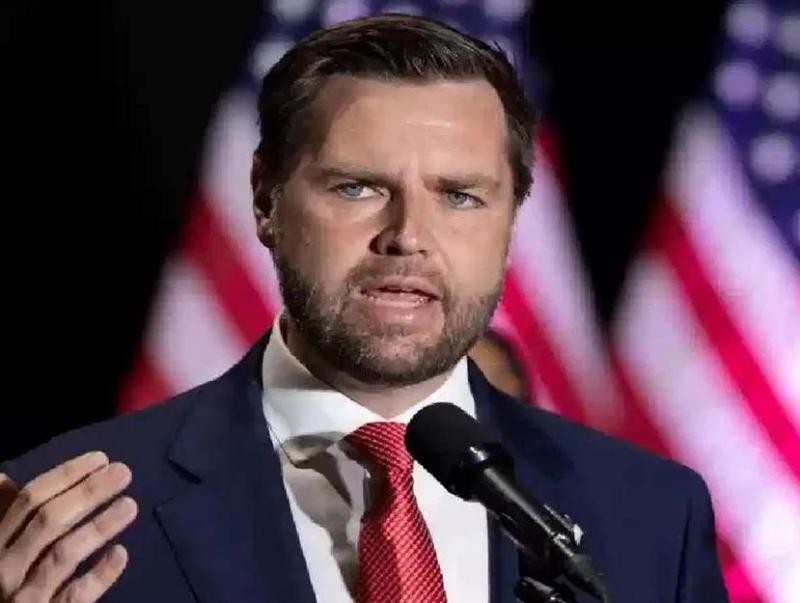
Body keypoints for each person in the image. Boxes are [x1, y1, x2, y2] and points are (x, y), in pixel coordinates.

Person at [0, 14, 729, 603]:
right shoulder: (66, 518)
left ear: (511, 222)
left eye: (460, 196)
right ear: (266, 200)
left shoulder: (651, 516)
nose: (407, 236)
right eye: (357, 187)